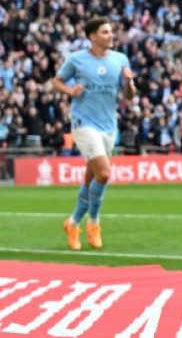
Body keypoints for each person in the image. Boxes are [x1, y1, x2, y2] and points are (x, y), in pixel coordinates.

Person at [54, 17, 136, 251]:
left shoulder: (120, 59)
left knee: (91, 178)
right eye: (105, 32)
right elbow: (56, 82)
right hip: (83, 122)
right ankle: (94, 223)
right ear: (93, 36)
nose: (111, 35)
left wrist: (129, 84)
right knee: (103, 174)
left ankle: (73, 223)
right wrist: (70, 90)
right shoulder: (77, 59)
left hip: (108, 125)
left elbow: (129, 97)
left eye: (111, 32)